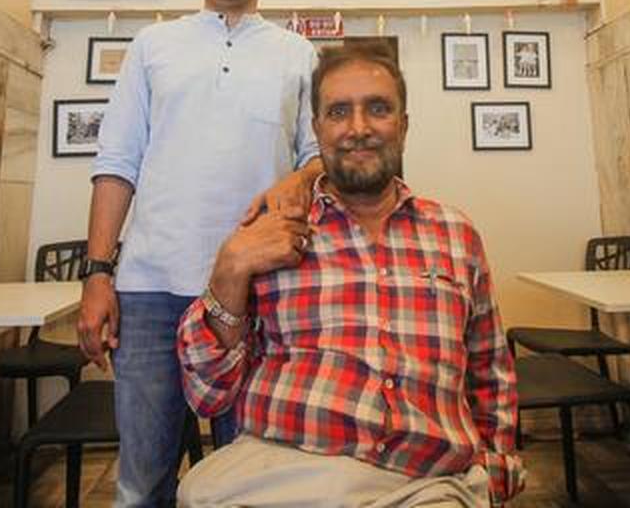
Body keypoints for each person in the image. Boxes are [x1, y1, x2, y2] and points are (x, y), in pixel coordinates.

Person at [177, 42, 525, 507]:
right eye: (339, 112)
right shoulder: (270, 234)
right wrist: (229, 269)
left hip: (425, 484)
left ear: (403, 126)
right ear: (317, 129)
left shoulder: (456, 235)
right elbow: (207, 395)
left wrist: (497, 468)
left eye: (378, 109)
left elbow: (490, 371)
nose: (358, 128)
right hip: (282, 476)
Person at [77, 0, 325, 507]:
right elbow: (117, 163)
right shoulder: (152, 45)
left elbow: (321, 157)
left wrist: (301, 177)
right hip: (151, 291)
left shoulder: (298, 54)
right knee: (142, 484)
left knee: (250, 484)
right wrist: (98, 274)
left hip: (261, 290)